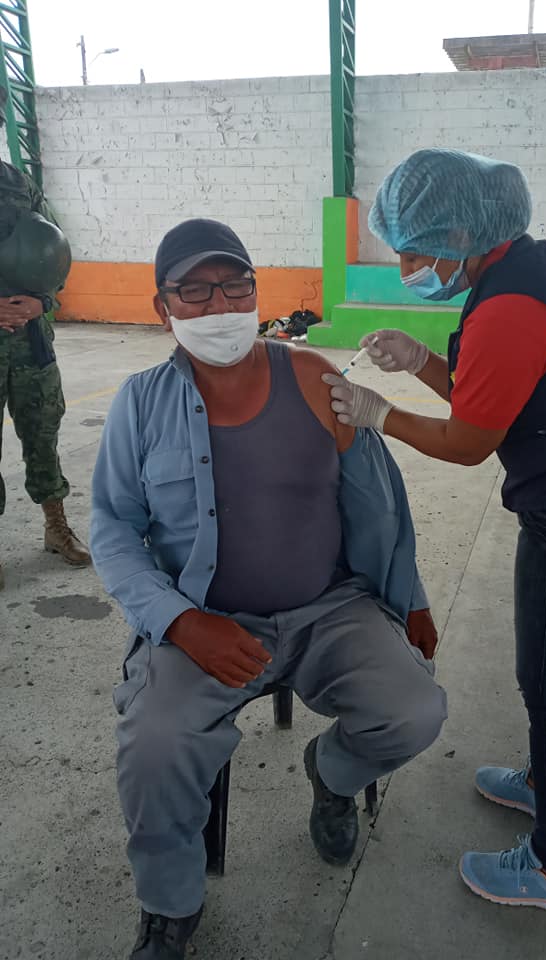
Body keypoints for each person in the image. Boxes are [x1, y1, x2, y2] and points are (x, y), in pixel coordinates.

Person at [323, 148, 546, 915]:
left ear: (460, 234)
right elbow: (490, 394)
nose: (406, 267)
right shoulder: (526, 266)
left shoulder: (511, 305)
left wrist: (379, 414)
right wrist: (419, 359)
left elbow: (469, 441)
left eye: (414, 252)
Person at [90, 218, 447, 959]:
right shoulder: (140, 404)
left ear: (257, 292)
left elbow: (377, 500)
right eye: (194, 291)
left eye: (235, 285)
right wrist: (180, 623)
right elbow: (114, 529)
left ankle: (332, 775)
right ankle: (170, 904)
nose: (219, 305)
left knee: (415, 710)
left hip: (329, 610)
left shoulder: (314, 378)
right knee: (154, 748)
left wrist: (409, 596)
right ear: (162, 308)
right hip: (206, 620)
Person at [0, 86, 90, 589]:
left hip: (30, 338)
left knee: (43, 432)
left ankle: (56, 526)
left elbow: (56, 251)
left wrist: (43, 300)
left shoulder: (18, 183)